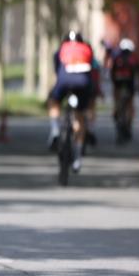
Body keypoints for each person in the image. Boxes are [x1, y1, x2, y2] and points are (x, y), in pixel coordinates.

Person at [46, 30, 95, 173]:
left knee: (53, 101)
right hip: (83, 83)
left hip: (64, 80)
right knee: (80, 117)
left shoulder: (62, 49)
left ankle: (55, 130)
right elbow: (92, 69)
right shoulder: (87, 49)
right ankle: (78, 158)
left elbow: (57, 68)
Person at [109, 38, 139, 139]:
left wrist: (114, 85)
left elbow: (112, 73)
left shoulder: (117, 58)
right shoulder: (134, 58)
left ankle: (115, 111)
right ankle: (129, 123)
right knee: (130, 104)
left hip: (118, 83)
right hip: (129, 83)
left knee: (117, 100)